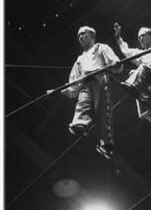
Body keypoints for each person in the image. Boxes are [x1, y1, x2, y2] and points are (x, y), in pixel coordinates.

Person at [50, 26, 122, 159]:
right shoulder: (79, 59)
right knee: (82, 104)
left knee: (103, 110)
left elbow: (114, 61)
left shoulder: (101, 47)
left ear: (92, 35)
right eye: (79, 36)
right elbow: (73, 82)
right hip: (85, 84)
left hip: (99, 79)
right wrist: (59, 90)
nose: (81, 37)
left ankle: (106, 143)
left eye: (83, 34)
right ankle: (80, 125)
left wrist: (116, 64)